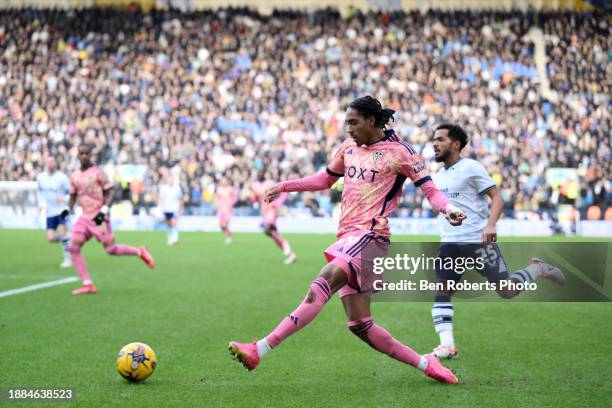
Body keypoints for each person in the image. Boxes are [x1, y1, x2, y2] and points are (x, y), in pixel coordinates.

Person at [229, 96, 466, 384]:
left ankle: (259, 349)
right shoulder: (349, 147)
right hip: (349, 237)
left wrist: (448, 208)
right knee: (361, 326)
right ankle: (425, 363)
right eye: (346, 123)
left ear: (371, 121)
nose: (348, 129)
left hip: (371, 235)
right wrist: (284, 186)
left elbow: (431, 191)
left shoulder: (401, 152)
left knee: (323, 283)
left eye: (353, 123)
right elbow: (325, 179)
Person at [429, 124, 566, 359]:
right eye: (434, 139)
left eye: (440, 139)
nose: (435, 143)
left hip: (477, 242)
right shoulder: (439, 175)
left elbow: (497, 198)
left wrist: (491, 225)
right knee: (442, 290)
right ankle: (448, 346)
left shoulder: (471, 167)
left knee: (507, 291)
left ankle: (538, 268)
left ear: (456, 144)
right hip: (449, 242)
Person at [67, 144, 155, 295]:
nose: (84, 156)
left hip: (99, 218)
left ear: (90, 155)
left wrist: (104, 210)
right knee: (73, 247)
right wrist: (66, 212)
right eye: (81, 153)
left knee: (111, 249)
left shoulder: (98, 173)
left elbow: (112, 192)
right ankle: (88, 284)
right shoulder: (74, 176)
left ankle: (139, 251)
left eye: (86, 153)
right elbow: (73, 196)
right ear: (78, 156)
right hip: (84, 218)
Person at [251, 171, 297, 264]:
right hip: (264, 211)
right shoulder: (255, 186)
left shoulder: (270, 183)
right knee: (271, 233)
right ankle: (288, 251)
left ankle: (285, 245)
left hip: (272, 209)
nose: (259, 175)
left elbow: (283, 193)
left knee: (267, 228)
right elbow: (255, 198)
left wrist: (278, 203)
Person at [36, 156, 72, 268]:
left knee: (62, 231)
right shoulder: (40, 177)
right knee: (51, 238)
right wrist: (41, 205)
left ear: (56, 164)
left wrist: (64, 199)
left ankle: (67, 258)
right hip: (50, 211)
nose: (51, 164)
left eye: (53, 162)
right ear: (46, 163)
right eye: (49, 162)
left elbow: (70, 193)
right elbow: (40, 193)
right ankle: (68, 237)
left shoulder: (62, 177)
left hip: (62, 209)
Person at [158, 174, 183, 245]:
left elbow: (180, 199)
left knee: (174, 222)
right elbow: (161, 198)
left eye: (171, 179)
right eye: (169, 179)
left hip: (175, 208)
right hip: (166, 209)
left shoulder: (177, 188)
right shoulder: (164, 188)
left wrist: (181, 207)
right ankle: (169, 238)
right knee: (168, 224)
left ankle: (175, 238)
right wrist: (160, 207)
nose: (170, 180)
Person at [214, 177, 238, 244]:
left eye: (225, 181)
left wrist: (231, 203)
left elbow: (235, 197)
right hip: (221, 209)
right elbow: (216, 198)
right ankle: (229, 234)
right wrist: (217, 204)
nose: (223, 182)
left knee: (224, 224)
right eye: (222, 181)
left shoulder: (230, 189)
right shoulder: (219, 189)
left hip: (228, 209)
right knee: (221, 225)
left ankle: (229, 237)